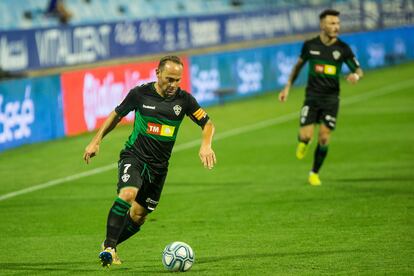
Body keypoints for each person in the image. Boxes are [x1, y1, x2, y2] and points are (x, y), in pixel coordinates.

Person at [83, 55, 216, 267]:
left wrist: (206, 144)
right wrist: (95, 141)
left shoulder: (184, 101)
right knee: (127, 193)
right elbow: (116, 115)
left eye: (177, 80)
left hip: (159, 168)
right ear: (158, 73)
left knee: (138, 216)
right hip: (134, 156)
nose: (173, 84)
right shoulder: (140, 94)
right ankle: (109, 247)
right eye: (169, 79)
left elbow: (207, 123)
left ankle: (111, 244)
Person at [278, 9, 363, 186]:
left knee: (324, 138)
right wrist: (287, 87)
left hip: (331, 99)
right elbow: (298, 67)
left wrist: (356, 76)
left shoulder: (343, 49)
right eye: (332, 23)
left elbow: (358, 69)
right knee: (305, 136)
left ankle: (314, 173)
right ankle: (304, 142)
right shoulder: (310, 45)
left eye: (338, 23)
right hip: (312, 97)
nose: (336, 27)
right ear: (322, 25)